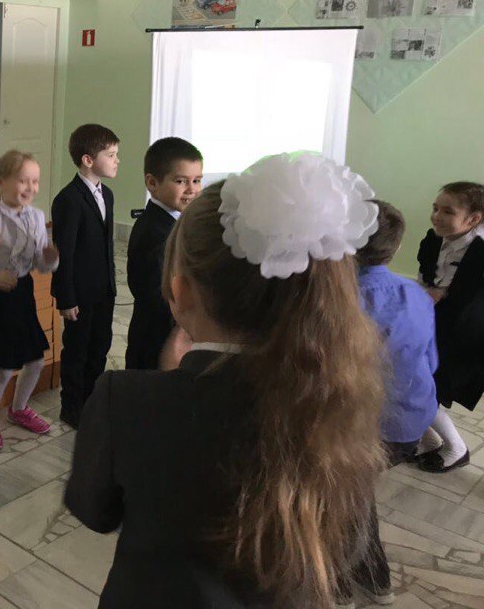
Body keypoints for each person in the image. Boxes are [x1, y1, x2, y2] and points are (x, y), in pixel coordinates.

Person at [65, 153, 386, 609]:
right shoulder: (340, 402)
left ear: (180, 292)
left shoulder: (125, 400)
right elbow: (351, 546)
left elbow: (94, 509)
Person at [343, 200, 439, 605]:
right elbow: (431, 360)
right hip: (412, 420)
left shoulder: (341, 301)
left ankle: (350, 585)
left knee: (343, 500)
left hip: (366, 427)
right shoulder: (415, 294)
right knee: (353, 496)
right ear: (396, 247)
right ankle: (368, 579)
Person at [0, 150, 59, 450]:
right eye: (23, 180)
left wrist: (50, 258)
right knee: (5, 367)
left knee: (36, 361)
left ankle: (18, 408)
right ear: (1, 181)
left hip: (21, 294)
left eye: (35, 181)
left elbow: (40, 264)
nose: (30, 187)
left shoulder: (37, 216)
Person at [50, 124, 119, 428]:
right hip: (79, 293)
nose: (117, 160)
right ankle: (72, 406)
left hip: (103, 289)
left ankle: (92, 400)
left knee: (100, 346)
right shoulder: (68, 199)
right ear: (88, 160)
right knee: (77, 350)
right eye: (111, 155)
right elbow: (63, 254)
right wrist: (66, 298)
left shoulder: (108, 195)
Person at [414, 181, 484, 472]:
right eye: (435, 208)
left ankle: (456, 448)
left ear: (473, 219)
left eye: (447, 211)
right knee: (417, 380)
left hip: (464, 331)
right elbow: (426, 274)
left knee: (428, 387)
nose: (436, 216)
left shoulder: (480, 252)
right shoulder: (434, 238)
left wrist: (442, 294)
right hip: (434, 320)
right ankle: (428, 439)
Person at [125, 138, 203, 370]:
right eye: (181, 181)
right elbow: (156, 296)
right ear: (152, 182)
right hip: (156, 339)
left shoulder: (177, 222)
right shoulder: (154, 233)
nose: (192, 189)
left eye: (197, 180)